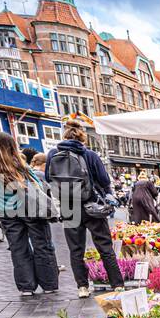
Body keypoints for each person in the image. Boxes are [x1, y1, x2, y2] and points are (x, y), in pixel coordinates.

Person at [45, 121, 122, 298]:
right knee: (104, 246)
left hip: (68, 206)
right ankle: (117, 284)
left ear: (65, 135)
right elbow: (104, 179)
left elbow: (50, 178)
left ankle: (82, 287)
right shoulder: (89, 154)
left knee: (76, 249)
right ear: (82, 136)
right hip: (91, 204)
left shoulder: (53, 154)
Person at [0, 131, 60, 297]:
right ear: (11, 146)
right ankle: (48, 283)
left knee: (18, 248)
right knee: (42, 244)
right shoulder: (19, 163)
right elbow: (37, 184)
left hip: (6, 210)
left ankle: (26, 287)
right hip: (30, 207)